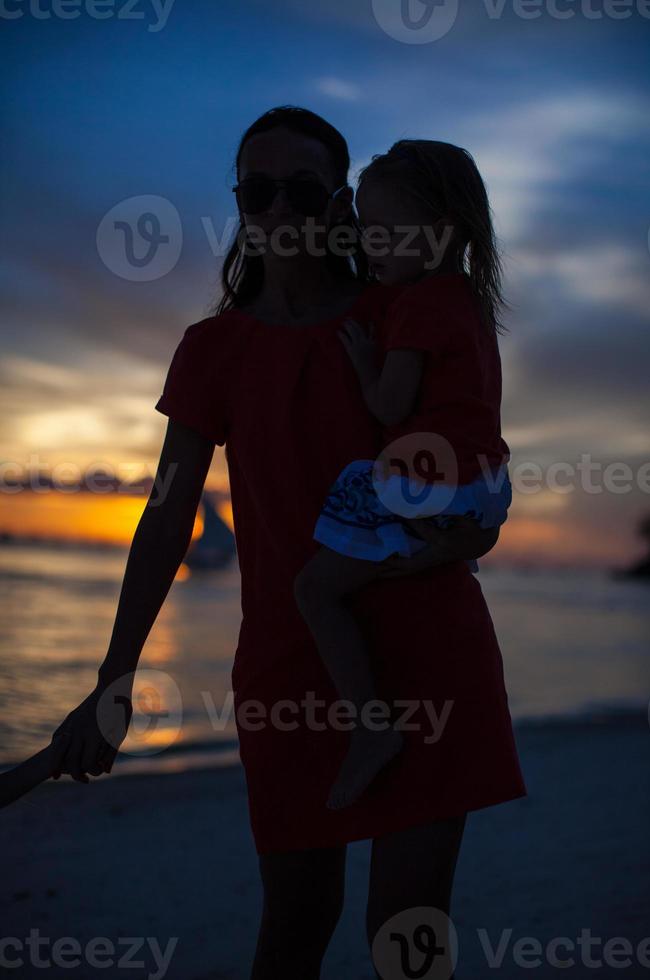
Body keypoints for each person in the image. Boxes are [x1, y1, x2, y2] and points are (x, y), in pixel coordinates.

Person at [48, 106, 527, 980]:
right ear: (239, 200)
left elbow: (470, 447)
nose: (279, 207)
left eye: (302, 189)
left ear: (340, 202)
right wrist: (112, 680)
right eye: (257, 189)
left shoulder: (402, 309)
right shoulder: (212, 350)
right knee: (296, 926)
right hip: (288, 663)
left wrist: (470, 528)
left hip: (428, 650)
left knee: (406, 935)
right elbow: (164, 515)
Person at [293, 139, 514, 812]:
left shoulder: (416, 307)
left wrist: (364, 364)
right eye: (365, 226)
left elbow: (390, 405)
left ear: (441, 232)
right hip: (484, 481)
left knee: (314, 591)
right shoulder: (471, 305)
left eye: (386, 231)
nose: (370, 242)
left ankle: (370, 728)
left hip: (426, 477)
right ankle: (431, 547)